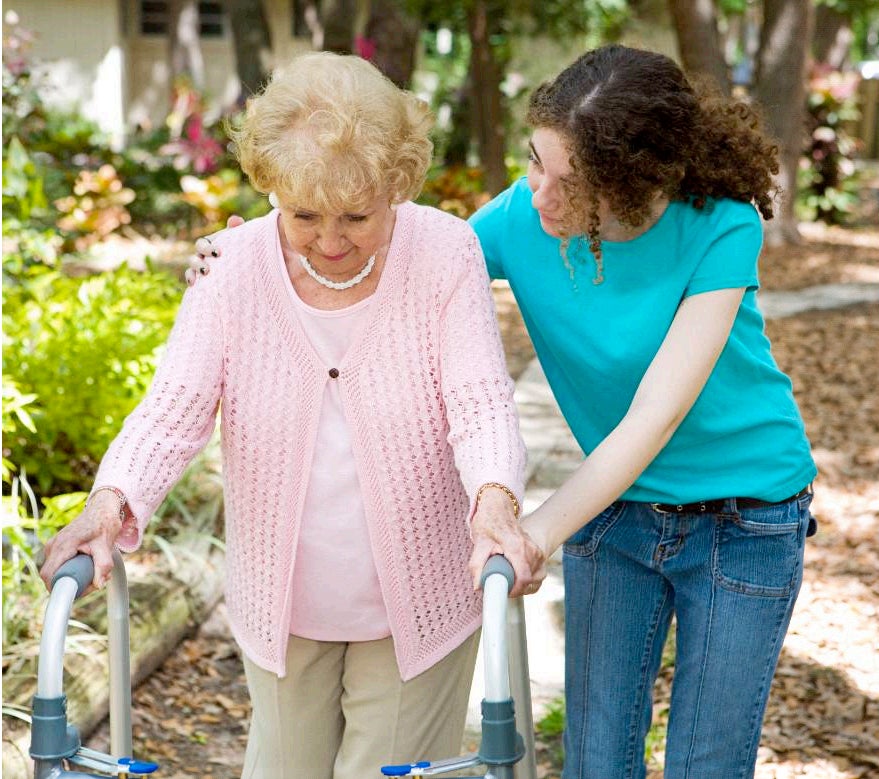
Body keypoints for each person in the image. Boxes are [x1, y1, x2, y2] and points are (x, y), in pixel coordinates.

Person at [193, 44, 818, 779]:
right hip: (617, 516)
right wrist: (261, 256)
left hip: (743, 517)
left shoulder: (719, 226)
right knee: (594, 760)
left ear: (633, 182)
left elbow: (652, 419)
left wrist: (529, 532)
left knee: (703, 765)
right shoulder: (523, 216)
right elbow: (409, 254)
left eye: (571, 184)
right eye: (533, 162)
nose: (539, 195)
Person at [39, 52, 529, 779]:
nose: (330, 241)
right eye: (304, 215)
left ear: (396, 183)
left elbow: (478, 398)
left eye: (356, 216)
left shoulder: (443, 252)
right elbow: (172, 410)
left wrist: (495, 501)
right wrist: (110, 500)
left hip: (419, 608)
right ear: (270, 186)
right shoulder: (231, 267)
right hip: (282, 610)